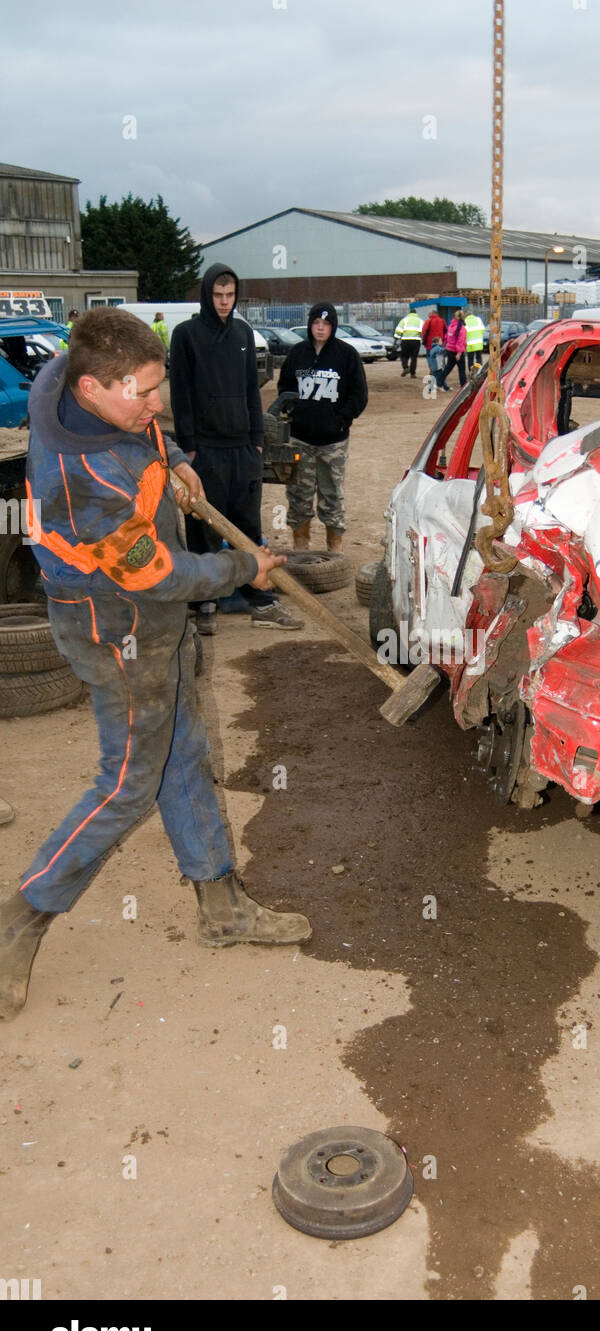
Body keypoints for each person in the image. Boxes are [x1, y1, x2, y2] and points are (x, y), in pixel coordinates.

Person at [0, 308, 312, 1021]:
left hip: (147, 621)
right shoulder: (89, 486)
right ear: (89, 388)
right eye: (141, 394)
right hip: (118, 628)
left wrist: (167, 455)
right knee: (128, 785)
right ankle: (20, 918)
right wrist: (244, 566)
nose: (156, 404)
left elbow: (142, 424)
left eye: (156, 386)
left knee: (184, 753)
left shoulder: (72, 377)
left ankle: (221, 903)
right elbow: (157, 576)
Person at [170, 263, 302, 635]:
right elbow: (180, 395)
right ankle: (205, 602)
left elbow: (251, 391)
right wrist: (189, 450)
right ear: (207, 295)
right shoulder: (186, 335)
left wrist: (257, 441)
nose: (225, 302)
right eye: (218, 295)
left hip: (243, 449)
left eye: (230, 295)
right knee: (206, 529)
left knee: (247, 525)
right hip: (205, 451)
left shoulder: (244, 333)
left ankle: (259, 600)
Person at [276, 302, 368, 553]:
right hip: (300, 439)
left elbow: (359, 395)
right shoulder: (297, 353)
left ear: (333, 327)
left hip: (333, 442)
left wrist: (341, 419)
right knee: (298, 494)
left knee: (332, 496)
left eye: (326, 324)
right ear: (310, 325)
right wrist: (291, 408)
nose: (320, 328)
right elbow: (284, 387)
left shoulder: (346, 355)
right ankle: (301, 548)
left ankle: (334, 550)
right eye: (316, 323)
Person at [440, 309, 467, 389]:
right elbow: (460, 341)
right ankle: (463, 384)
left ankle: (439, 381)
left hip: (449, 349)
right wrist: (459, 352)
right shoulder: (461, 328)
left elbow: (446, 337)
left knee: (448, 368)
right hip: (457, 351)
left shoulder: (451, 326)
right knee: (461, 369)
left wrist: (445, 344)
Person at [394, 306, 423, 377]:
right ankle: (412, 373)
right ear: (416, 313)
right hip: (416, 341)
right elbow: (423, 331)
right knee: (414, 358)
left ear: (409, 313)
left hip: (405, 340)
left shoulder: (404, 320)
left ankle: (405, 367)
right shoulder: (420, 321)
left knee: (404, 355)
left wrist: (396, 338)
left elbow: (398, 330)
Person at [464, 309, 485, 373]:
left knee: (470, 359)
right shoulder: (478, 319)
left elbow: (463, 333)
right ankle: (479, 371)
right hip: (478, 343)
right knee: (478, 358)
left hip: (469, 344)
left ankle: (471, 372)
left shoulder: (465, 321)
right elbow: (483, 329)